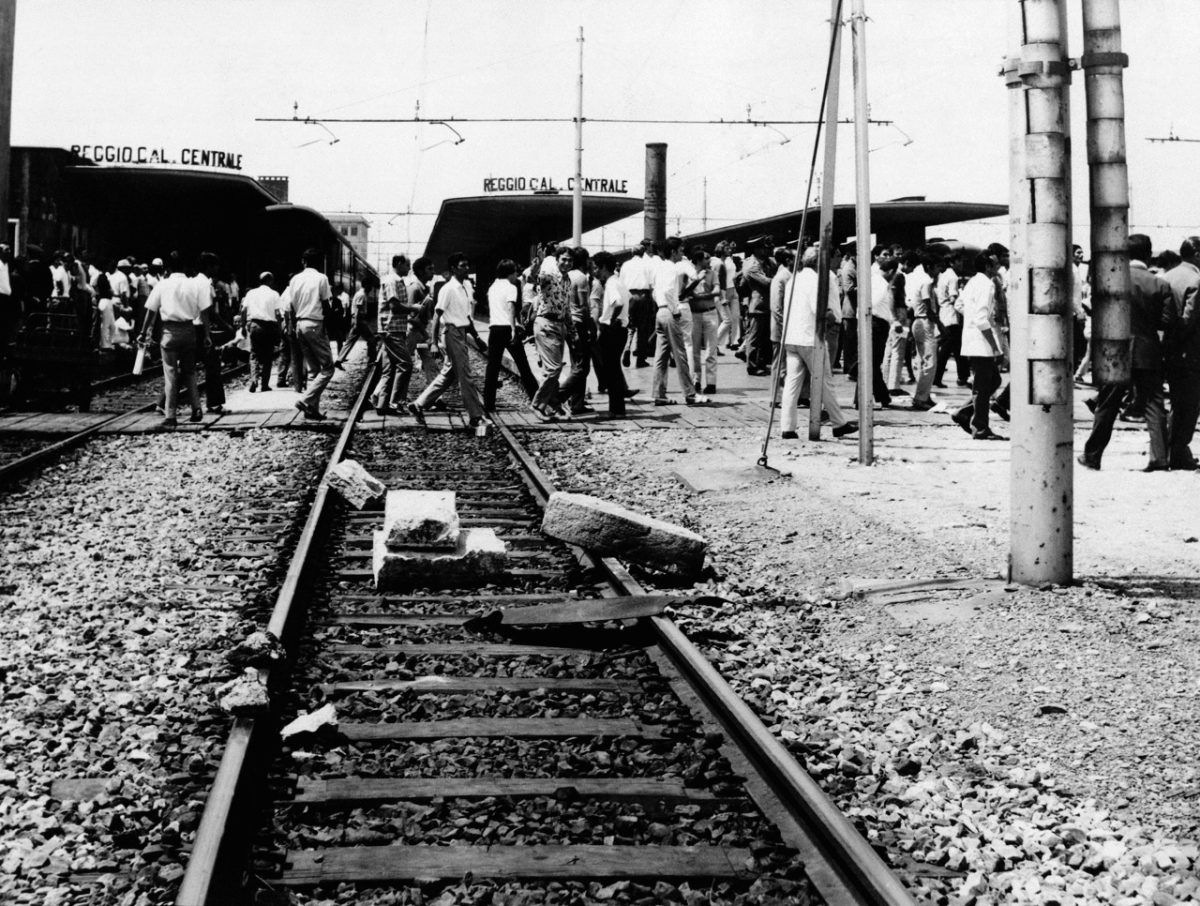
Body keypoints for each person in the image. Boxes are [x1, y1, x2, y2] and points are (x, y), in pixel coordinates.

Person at [1078, 234, 1170, 472]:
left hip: (1115, 349)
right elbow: (1166, 321)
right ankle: (1159, 458)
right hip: (1147, 349)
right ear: (1149, 255)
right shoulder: (1160, 284)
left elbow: (1097, 313)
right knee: (1153, 404)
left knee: (1107, 404)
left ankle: (1092, 456)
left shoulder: (1111, 279)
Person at [780, 246, 858, 440]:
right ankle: (838, 423)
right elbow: (820, 310)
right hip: (810, 337)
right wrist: (832, 317)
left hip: (791, 336)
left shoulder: (794, 279)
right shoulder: (815, 281)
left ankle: (787, 427)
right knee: (824, 381)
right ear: (819, 262)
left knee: (792, 382)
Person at [407, 252, 488, 428]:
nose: (466, 268)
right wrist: (434, 343)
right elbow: (437, 316)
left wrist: (476, 337)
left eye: (467, 265)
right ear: (453, 269)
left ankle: (418, 404)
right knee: (465, 376)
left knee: (447, 375)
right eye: (462, 265)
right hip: (451, 333)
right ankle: (476, 416)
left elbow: (466, 316)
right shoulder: (448, 289)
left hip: (461, 332)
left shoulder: (464, 287)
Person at [137, 251, 209, 428]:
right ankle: (197, 408)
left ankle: (170, 415)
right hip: (189, 329)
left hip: (169, 331)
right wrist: (207, 335)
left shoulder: (163, 285)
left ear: (167, 268)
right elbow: (205, 311)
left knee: (170, 373)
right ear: (185, 267)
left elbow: (151, 311)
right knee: (190, 372)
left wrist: (143, 332)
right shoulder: (194, 285)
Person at [951, 252, 1005, 440]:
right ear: (988, 266)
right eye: (996, 263)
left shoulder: (973, 281)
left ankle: (965, 412)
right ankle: (980, 427)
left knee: (993, 381)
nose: (999, 266)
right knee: (983, 386)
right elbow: (982, 319)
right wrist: (995, 347)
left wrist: (971, 320)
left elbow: (959, 305)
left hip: (973, 338)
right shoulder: (987, 284)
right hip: (981, 342)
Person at [284, 248, 335, 420]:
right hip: (314, 324)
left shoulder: (295, 279)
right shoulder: (322, 278)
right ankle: (306, 401)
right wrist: (328, 327)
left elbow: (290, 306)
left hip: (299, 324)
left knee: (314, 370)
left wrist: (292, 325)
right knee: (328, 368)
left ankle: (312, 411)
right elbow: (326, 305)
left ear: (303, 262)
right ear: (320, 263)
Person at [1163, 236, 1200, 470]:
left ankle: (1170, 448)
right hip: (1190, 351)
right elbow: (1189, 320)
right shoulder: (1196, 280)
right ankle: (1179, 451)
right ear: (1196, 254)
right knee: (1190, 404)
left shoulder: (1167, 276)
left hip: (1168, 349)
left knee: (1177, 401)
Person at [482, 258, 538, 411]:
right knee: (523, 366)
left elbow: (496, 308)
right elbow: (510, 307)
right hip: (507, 329)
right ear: (510, 273)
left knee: (492, 367)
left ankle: (488, 404)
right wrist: (514, 328)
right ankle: (536, 399)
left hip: (494, 329)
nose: (516, 276)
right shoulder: (511, 287)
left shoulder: (492, 287)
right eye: (515, 273)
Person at [650, 238, 699, 405]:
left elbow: (655, 292)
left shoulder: (659, 267)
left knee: (661, 356)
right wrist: (676, 311)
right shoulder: (672, 268)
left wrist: (662, 306)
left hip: (660, 311)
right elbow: (671, 291)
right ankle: (690, 393)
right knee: (680, 354)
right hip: (670, 312)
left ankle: (659, 394)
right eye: (680, 250)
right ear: (673, 251)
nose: (682, 254)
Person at [373, 255, 422, 414]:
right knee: (406, 364)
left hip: (394, 328)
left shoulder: (397, 280)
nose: (409, 269)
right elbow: (395, 306)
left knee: (389, 369)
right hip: (391, 328)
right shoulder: (392, 281)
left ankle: (382, 405)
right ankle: (395, 403)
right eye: (407, 265)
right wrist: (414, 308)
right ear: (399, 264)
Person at [529, 248, 574, 421]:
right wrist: (536, 266)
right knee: (553, 368)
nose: (567, 263)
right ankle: (537, 405)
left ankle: (554, 404)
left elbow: (567, 307)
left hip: (560, 325)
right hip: (546, 323)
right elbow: (536, 279)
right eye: (563, 259)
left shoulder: (567, 280)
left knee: (554, 368)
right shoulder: (549, 275)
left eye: (570, 261)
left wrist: (572, 332)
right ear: (557, 260)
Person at [591, 251, 630, 418]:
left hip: (612, 330)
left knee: (611, 370)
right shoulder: (618, 282)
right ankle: (617, 408)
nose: (594, 271)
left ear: (604, 267)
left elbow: (619, 303)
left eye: (596, 268)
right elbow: (630, 299)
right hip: (620, 329)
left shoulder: (611, 284)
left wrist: (612, 320)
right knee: (613, 369)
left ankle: (616, 410)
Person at [559, 246, 594, 415]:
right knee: (582, 366)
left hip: (567, 322)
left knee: (576, 363)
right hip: (579, 323)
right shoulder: (581, 278)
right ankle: (557, 397)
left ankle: (577, 403)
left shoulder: (567, 276)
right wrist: (589, 327)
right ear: (584, 260)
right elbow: (584, 306)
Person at [194, 251, 229, 413]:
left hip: (190, 328)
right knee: (213, 366)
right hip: (201, 329)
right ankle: (214, 402)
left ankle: (162, 402)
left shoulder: (193, 282)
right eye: (215, 266)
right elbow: (207, 312)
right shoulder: (206, 284)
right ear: (209, 267)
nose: (217, 269)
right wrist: (210, 334)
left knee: (185, 367)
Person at [685, 247, 720, 394]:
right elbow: (687, 291)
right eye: (706, 258)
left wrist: (699, 297)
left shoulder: (712, 273)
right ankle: (696, 380)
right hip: (694, 314)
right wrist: (708, 294)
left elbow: (717, 291)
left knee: (711, 349)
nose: (709, 260)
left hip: (710, 312)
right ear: (698, 260)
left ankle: (711, 382)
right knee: (694, 349)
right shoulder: (690, 274)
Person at [908, 252, 940, 409]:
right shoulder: (927, 281)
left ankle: (923, 395)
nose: (939, 271)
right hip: (925, 322)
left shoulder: (920, 279)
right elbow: (929, 307)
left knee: (924, 361)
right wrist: (941, 325)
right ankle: (921, 398)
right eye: (937, 268)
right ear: (930, 267)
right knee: (930, 362)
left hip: (919, 321)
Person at [240, 271, 281, 392]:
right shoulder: (274, 294)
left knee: (254, 354)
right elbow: (278, 313)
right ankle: (264, 385)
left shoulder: (251, 293)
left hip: (254, 325)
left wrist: (243, 326)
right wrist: (279, 328)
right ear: (269, 281)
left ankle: (253, 380)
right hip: (269, 326)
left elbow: (243, 311)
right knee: (268, 355)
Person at [740, 237, 774, 375]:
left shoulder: (767, 263)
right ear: (757, 249)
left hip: (766, 305)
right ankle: (752, 365)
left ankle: (761, 362)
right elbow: (766, 282)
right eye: (764, 248)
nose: (767, 250)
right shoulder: (752, 265)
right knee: (754, 338)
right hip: (758, 305)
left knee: (764, 338)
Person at [621, 240, 655, 367]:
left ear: (632, 253)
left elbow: (621, 284)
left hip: (630, 296)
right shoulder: (647, 265)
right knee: (643, 328)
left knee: (630, 325)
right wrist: (651, 301)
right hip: (643, 296)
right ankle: (641, 359)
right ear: (643, 252)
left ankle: (627, 348)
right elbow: (652, 284)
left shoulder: (625, 265)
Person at [336, 272, 379, 368]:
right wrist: (356, 322)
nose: (371, 288)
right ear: (367, 285)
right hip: (359, 321)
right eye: (371, 286)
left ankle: (339, 360)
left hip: (357, 321)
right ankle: (371, 360)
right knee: (371, 340)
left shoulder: (360, 294)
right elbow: (358, 310)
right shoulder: (361, 295)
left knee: (350, 341)